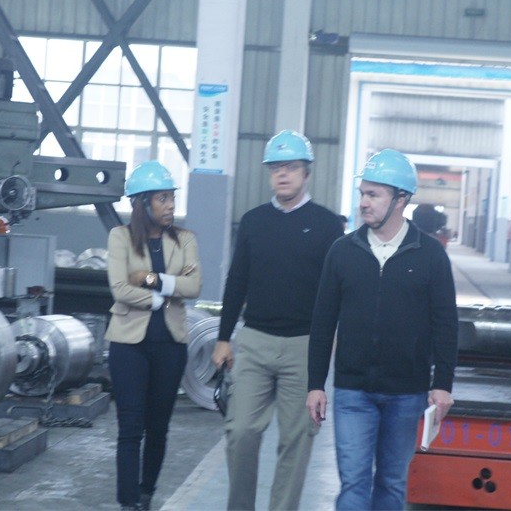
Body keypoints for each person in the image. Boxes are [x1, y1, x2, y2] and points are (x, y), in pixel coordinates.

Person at [306, 148, 459, 511]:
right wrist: (316, 383)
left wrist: (442, 384)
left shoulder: (429, 255)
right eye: (363, 193)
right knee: (354, 484)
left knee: (391, 483)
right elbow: (323, 321)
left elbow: (445, 323)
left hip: (406, 393)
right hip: (353, 391)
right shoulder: (343, 251)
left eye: (373, 194)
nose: (364, 202)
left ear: (400, 199)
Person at [211, 130, 345, 511]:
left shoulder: (327, 225)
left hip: (304, 347)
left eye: (291, 167)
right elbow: (237, 280)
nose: (282, 175)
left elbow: (334, 291)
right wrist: (223, 338)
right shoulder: (253, 221)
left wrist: (331, 340)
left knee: (297, 438)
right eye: (276, 168)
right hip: (254, 341)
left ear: (306, 173)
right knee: (240, 431)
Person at [105, 160, 202, 511]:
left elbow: (194, 286)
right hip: (128, 346)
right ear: (142, 203)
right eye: (163, 199)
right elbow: (120, 288)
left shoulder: (184, 239)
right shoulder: (120, 237)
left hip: (170, 346)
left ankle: (146, 493)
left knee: (158, 427)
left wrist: (151, 279)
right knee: (131, 427)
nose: (171, 205)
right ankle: (128, 503)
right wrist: (162, 296)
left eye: (172, 198)